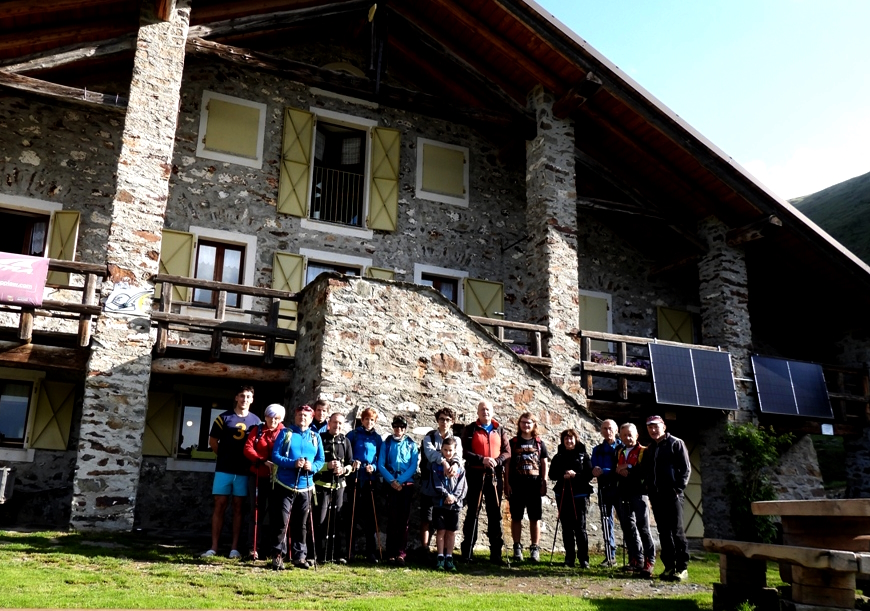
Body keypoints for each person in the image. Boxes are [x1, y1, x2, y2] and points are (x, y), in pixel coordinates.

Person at [202, 386, 261, 559]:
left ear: (252, 400)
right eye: (242, 396)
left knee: (238, 507)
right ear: (236, 397)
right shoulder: (223, 418)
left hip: (243, 471)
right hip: (224, 469)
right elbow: (213, 441)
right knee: (219, 504)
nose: (244, 399)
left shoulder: (256, 421)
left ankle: (234, 548)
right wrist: (224, 457)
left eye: (248, 396)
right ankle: (214, 547)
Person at [269, 404, 325, 570]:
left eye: (306, 415)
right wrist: (292, 464)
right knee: (282, 521)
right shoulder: (286, 433)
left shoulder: (316, 436)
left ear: (311, 418)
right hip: (284, 483)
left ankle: (300, 556)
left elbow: (320, 460)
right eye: (300, 415)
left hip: (306, 485)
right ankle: (278, 555)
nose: (303, 418)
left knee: (301, 523)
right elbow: (275, 456)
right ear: (295, 417)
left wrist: (312, 467)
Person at [460, 400, 510, 564]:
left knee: (494, 514)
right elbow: (464, 452)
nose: (485, 412)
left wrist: (497, 460)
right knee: (473, 513)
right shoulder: (470, 429)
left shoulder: (499, 429)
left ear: (492, 412)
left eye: (487, 410)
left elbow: (507, 452)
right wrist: (482, 460)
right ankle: (467, 552)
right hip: (475, 475)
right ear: (478, 412)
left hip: (494, 476)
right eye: (482, 410)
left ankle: (496, 553)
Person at [643, 415, 691, 582]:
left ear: (663, 426)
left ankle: (682, 568)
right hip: (656, 496)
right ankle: (669, 566)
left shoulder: (676, 443)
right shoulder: (650, 449)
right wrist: (648, 488)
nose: (653, 430)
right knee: (663, 532)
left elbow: (685, 469)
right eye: (650, 427)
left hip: (673, 495)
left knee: (677, 531)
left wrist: (678, 489)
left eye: (656, 426)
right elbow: (647, 471)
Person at [242, 403, 285, 561]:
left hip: (278, 479)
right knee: (257, 512)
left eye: (277, 418)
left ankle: (274, 549)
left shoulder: (285, 432)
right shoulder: (257, 430)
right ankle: (253, 547)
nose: (273, 420)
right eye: (270, 416)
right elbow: (247, 448)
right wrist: (262, 460)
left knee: (276, 514)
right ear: (265, 417)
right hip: (258, 476)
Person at [505, 412, 549, 562]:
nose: (526, 425)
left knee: (534, 518)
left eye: (529, 423)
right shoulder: (513, 442)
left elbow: (544, 463)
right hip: (516, 485)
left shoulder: (539, 443)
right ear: (519, 424)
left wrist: (544, 482)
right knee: (516, 517)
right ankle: (517, 547)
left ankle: (534, 548)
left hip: (534, 485)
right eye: (523, 422)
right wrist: (507, 484)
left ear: (534, 424)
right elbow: (508, 465)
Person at [419, 407, 463, 556]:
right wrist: (444, 462)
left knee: (445, 519)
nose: (444, 422)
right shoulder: (429, 438)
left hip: (448, 487)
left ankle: (443, 551)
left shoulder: (456, 439)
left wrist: (455, 465)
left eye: (448, 419)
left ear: (452, 422)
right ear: (437, 420)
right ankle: (424, 549)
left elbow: (459, 455)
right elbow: (431, 454)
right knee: (427, 518)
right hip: (429, 483)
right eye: (442, 419)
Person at [377, 415, 419, 565]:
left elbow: (414, 465)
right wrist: (392, 481)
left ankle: (401, 553)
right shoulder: (387, 443)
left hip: (406, 485)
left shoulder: (411, 444)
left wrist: (400, 481)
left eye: (401, 427)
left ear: (405, 428)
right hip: (391, 484)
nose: (398, 430)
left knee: (404, 520)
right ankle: (391, 553)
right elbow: (381, 464)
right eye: (396, 426)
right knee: (392, 519)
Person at [615, 422, 656, 577]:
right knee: (628, 527)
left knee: (643, 527)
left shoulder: (644, 451)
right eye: (624, 435)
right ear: (620, 436)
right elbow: (616, 469)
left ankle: (649, 561)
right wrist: (620, 470)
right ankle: (636, 559)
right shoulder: (620, 451)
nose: (628, 437)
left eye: (630, 434)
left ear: (637, 435)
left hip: (639, 494)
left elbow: (646, 471)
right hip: (623, 493)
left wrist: (629, 469)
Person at [548, 428, 594, 568]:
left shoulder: (583, 456)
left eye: (571, 438)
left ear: (576, 439)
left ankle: (583, 559)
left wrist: (575, 475)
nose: (568, 441)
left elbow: (589, 475)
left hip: (579, 495)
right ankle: (569, 558)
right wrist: (563, 474)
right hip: (563, 494)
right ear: (563, 441)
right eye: (566, 439)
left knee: (580, 528)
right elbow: (552, 475)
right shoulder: (558, 457)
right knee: (566, 527)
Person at [313, 411, 354, 564]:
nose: (337, 426)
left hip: (339, 486)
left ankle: (337, 554)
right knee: (321, 520)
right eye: (335, 422)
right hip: (322, 486)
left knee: (338, 520)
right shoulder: (320, 439)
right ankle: (319, 554)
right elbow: (314, 462)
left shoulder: (346, 441)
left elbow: (350, 463)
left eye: (340, 423)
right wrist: (327, 466)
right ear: (329, 423)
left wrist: (344, 469)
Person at [421, 437, 467, 571]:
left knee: (451, 531)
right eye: (445, 450)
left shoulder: (460, 469)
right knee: (440, 530)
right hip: (440, 504)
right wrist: (446, 495)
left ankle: (449, 557)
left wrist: (454, 497)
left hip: (454, 505)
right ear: (441, 450)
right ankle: (440, 556)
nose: (448, 453)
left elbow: (462, 486)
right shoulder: (436, 467)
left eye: (450, 450)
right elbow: (436, 484)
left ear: (455, 451)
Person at [347, 407, 383, 563]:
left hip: (370, 479)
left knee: (370, 518)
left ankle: (371, 552)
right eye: (366, 419)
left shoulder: (377, 438)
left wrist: (373, 467)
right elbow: (346, 453)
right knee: (352, 516)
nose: (369, 422)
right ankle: (350, 551)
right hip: (354, 478)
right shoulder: (353, 435)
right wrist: (351, 462)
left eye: (372, 420)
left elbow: (380, 459)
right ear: (362, 420)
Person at [591, 419, 623, 566]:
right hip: (604, 489)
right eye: (604, 428)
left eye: (610, 428)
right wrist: (595, 470)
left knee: (627, 521)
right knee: (606, 522)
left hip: (620, 488)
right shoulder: (597, 450)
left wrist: (604, 471)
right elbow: (593, 466)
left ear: (616, 430)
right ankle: (610, 556)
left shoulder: (622, 448)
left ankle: (635, 557)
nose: (607, 431)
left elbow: (620, 468)